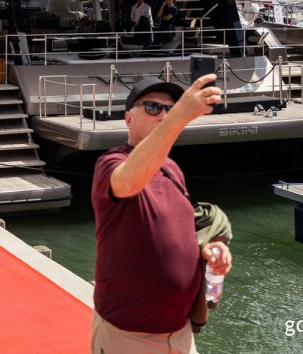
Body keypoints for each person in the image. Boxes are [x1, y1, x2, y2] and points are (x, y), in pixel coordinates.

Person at [90, 77, 233, 353]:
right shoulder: (111, 162)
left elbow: (181, 229)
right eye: (153, 107)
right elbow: (129, 182)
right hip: (129, 336)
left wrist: (211, 248)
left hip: (180, 331)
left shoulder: (171, 168)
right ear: (128, 118)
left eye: (170, 108)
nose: (164, 115)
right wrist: (179, 116)